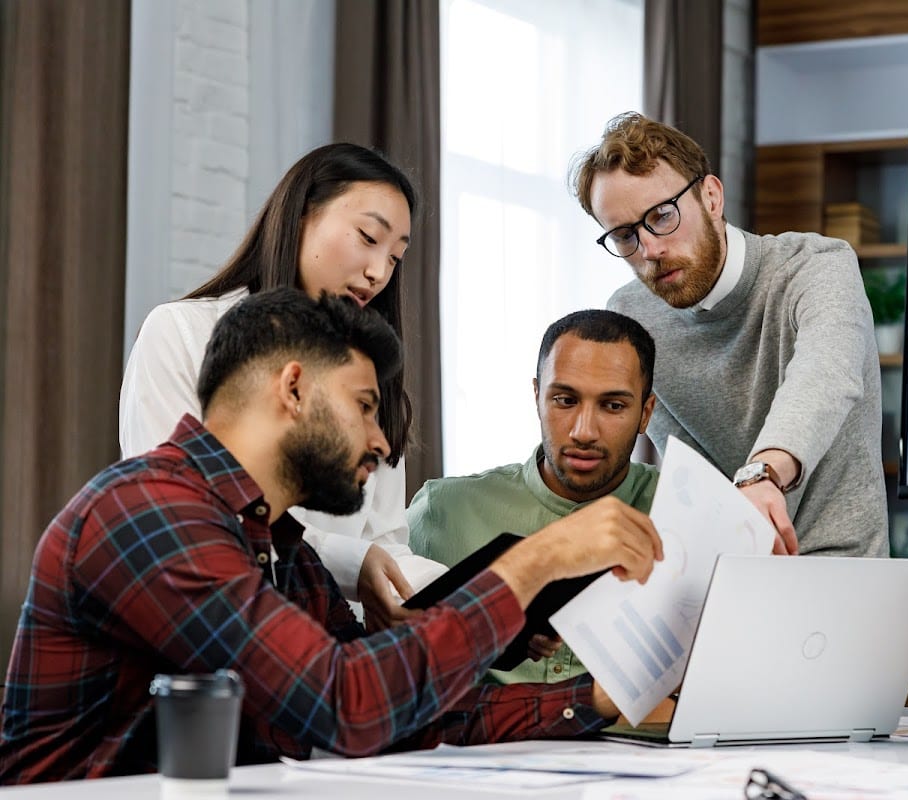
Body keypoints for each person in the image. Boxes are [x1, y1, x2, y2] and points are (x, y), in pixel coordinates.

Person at [0, 289, 662, 783]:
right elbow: (346, 703)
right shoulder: (148, 512)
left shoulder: (279, 545)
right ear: (293, 388)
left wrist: (599, 699)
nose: (380, 441)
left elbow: (406, 713)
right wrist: (534, 562)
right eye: (365, 406)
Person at [119, 143, 445, 631]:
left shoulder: (372, 377)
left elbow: (386, 547)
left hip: (337, 638)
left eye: (395, 257)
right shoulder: (182, 333)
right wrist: (353, 565)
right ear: (299, 216)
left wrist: (480, 598)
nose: (379, 273)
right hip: (225, 627)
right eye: (367, 237)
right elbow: (182, 519)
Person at [569, 112, 888, 559]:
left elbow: (826, 375)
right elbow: (688, 468)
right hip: (731, 568)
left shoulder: (817, 266)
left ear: (712, 197)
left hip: (843, 573)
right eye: (625, 236)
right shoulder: (631, 314)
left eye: (662, 215)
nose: (651, 251)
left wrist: (762, 475)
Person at [410, 309, 658, 684]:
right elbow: (386, 658)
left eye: (613, 406)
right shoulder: (442, 510)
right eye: (564, 400)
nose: (584, 431)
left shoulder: (684, 512)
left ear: (646, 413)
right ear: (537, 396)